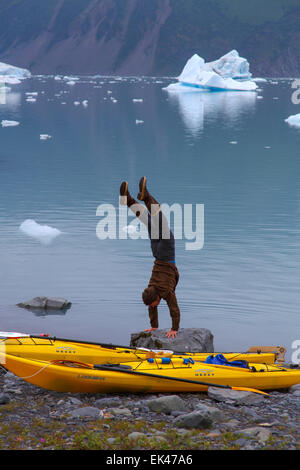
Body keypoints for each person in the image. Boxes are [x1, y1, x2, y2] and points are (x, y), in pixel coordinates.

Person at [120, 177, 180, 339]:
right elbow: (151, 307)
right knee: (149, 221)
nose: (153, 306)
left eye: (153, 304)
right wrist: (154, 327)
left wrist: (175, 328)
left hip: (166, 253)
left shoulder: (165, 292)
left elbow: (174, 309)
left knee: (158, 218)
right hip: (156, 251)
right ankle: (129, 201)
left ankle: (145, 196)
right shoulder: (150, 288)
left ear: (154, 298)